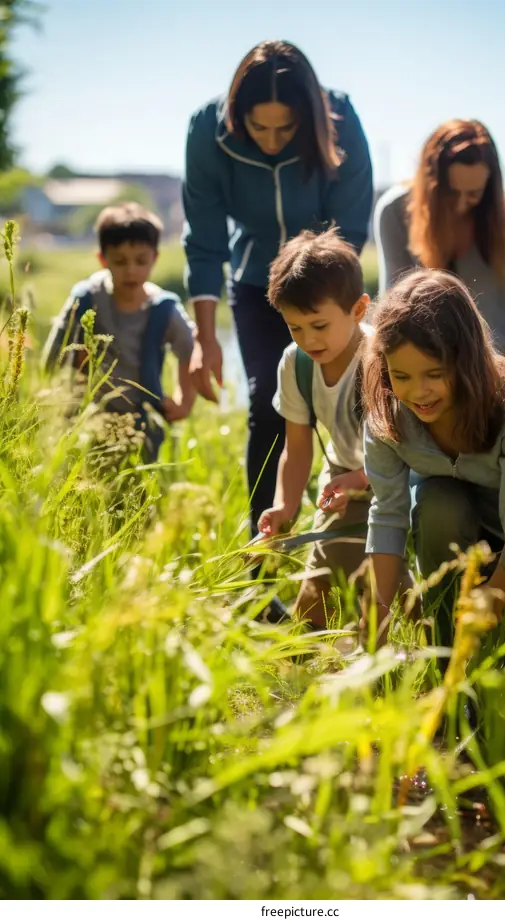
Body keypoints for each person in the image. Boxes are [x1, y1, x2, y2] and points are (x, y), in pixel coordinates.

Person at [183, 39, 373, 536]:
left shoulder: (341, 120)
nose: (271, 140)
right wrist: (205, 340)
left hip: (329, 284)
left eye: (285, 128)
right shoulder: (207, 130)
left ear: (308, 116)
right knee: (266, 400)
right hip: (254, 283)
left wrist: (332, 309)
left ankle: (363, 541)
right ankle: (262, 568)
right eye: (258, 127)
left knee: (358, 406)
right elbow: (204, 240)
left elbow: (351, 226)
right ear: (236, 115)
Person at [361, 270, 505, 649]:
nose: (418, 391)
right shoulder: (388, 416)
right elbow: (388, 513)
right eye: (401, 375)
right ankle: (444, 651)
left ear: (466, 361)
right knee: (437, 503)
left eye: (435, 374)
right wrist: (377, 610)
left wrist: (490, 600)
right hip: (456, 523)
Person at [257, 229, 411, 629]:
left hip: (399, 483)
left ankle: (401, 657)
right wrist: (285, 509)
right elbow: (297, 449)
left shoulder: (382, 360)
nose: (308, 339)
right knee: (313, 600)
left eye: (319, 325)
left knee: (399, 598)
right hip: (343, 479)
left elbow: (405, 449)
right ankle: (308, 672)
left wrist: (359, 481)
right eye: (295, 328)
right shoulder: (297, 363)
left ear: (359, 310)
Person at [374, 120, 505, 370]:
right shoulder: (394, 212)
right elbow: (392, 315)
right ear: (430, 183)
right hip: (425, 383)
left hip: (500, 378)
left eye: (474, 194)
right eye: (452, 192)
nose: (461, 204)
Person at [43, 203, 196, 461]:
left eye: (140, 261)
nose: (131, 270)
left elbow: (189, 348)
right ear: (103, 260)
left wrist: (184, 400)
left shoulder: (162, 308)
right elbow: (54, 351)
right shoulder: (86, 297)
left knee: (138, 487)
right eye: (120, 261)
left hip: (141, 416)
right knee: (83, 481)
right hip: (86, 415)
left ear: (155, 258)